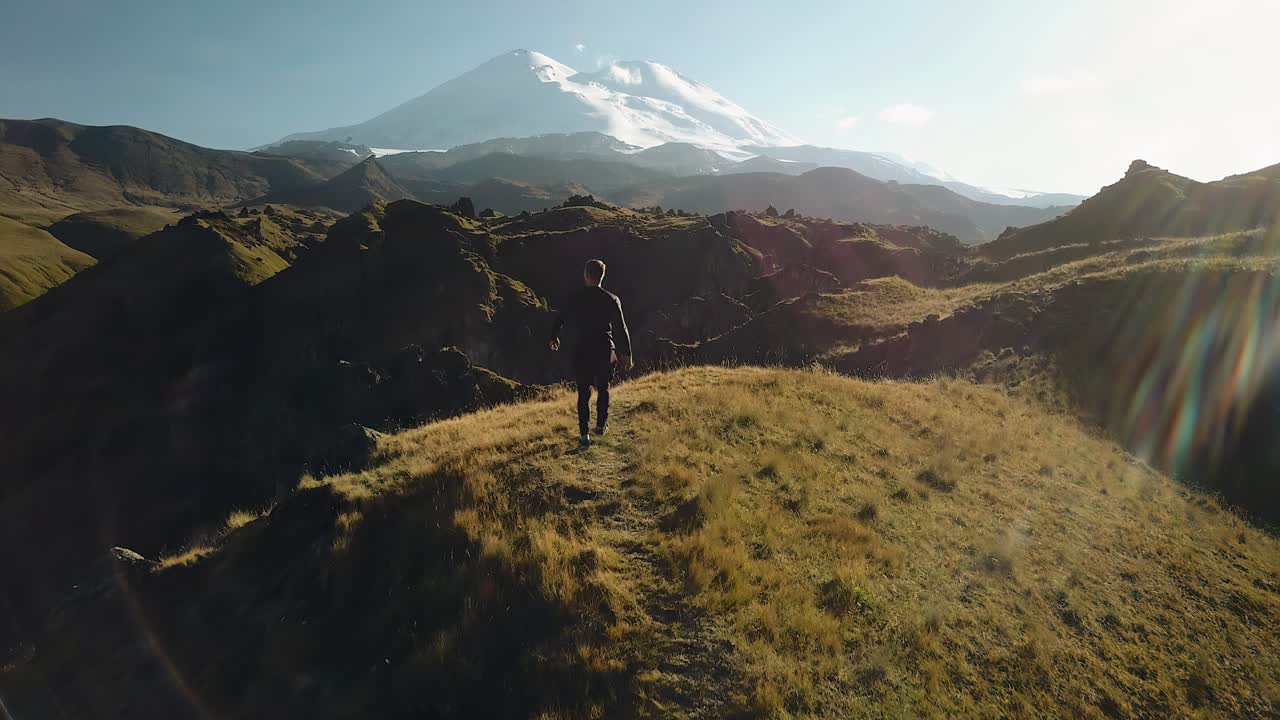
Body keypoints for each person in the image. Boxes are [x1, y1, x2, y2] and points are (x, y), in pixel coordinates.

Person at [549, 259, 633, 449]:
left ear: (586, 275)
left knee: (583, 392)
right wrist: (626, 353)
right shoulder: (612, 299)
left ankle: (584, 434)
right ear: (602, 276)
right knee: (603, 388)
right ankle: (601, 425)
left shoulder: (575, 297)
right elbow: (621, 328)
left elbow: (560, 317)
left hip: (582, 349)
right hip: (604, 348)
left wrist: (554, 336)